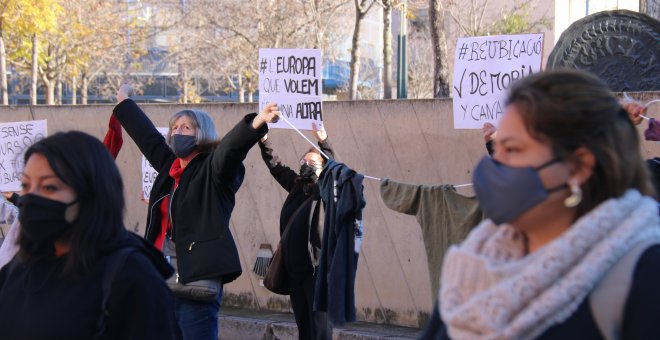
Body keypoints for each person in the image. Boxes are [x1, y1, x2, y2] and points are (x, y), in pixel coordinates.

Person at [431, 70, 660, 339]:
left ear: (579, 166)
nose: (494, 166)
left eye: (513, 149)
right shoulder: (473, 264)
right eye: (496, 148)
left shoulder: (642, 277)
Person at [113, 85, 279, 340]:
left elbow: (231, 150)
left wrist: (256, 122)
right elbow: (147, 137)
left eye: (185, 128)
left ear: (201, 134)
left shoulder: (213, 169)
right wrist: (124, 102)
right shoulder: (171, 168)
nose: (177, 132)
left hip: (196, 280)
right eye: (174, 128)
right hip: (161, 278)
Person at [0, 131, 177, 339]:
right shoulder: (19, 267)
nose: (31, 198)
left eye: (49, 187)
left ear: (89, 193)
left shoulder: (131, 276)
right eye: (26, 186)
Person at [258, 123, 334, 340]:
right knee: (304, 327)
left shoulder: (326, 190)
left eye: (312, 162)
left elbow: (334, 170)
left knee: (319, 329)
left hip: (316, 272)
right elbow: (276, 166)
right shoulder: (296, 186)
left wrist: (324, 142)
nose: (306, 164)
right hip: (294, 270)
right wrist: (264, 141)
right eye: (304, 161)